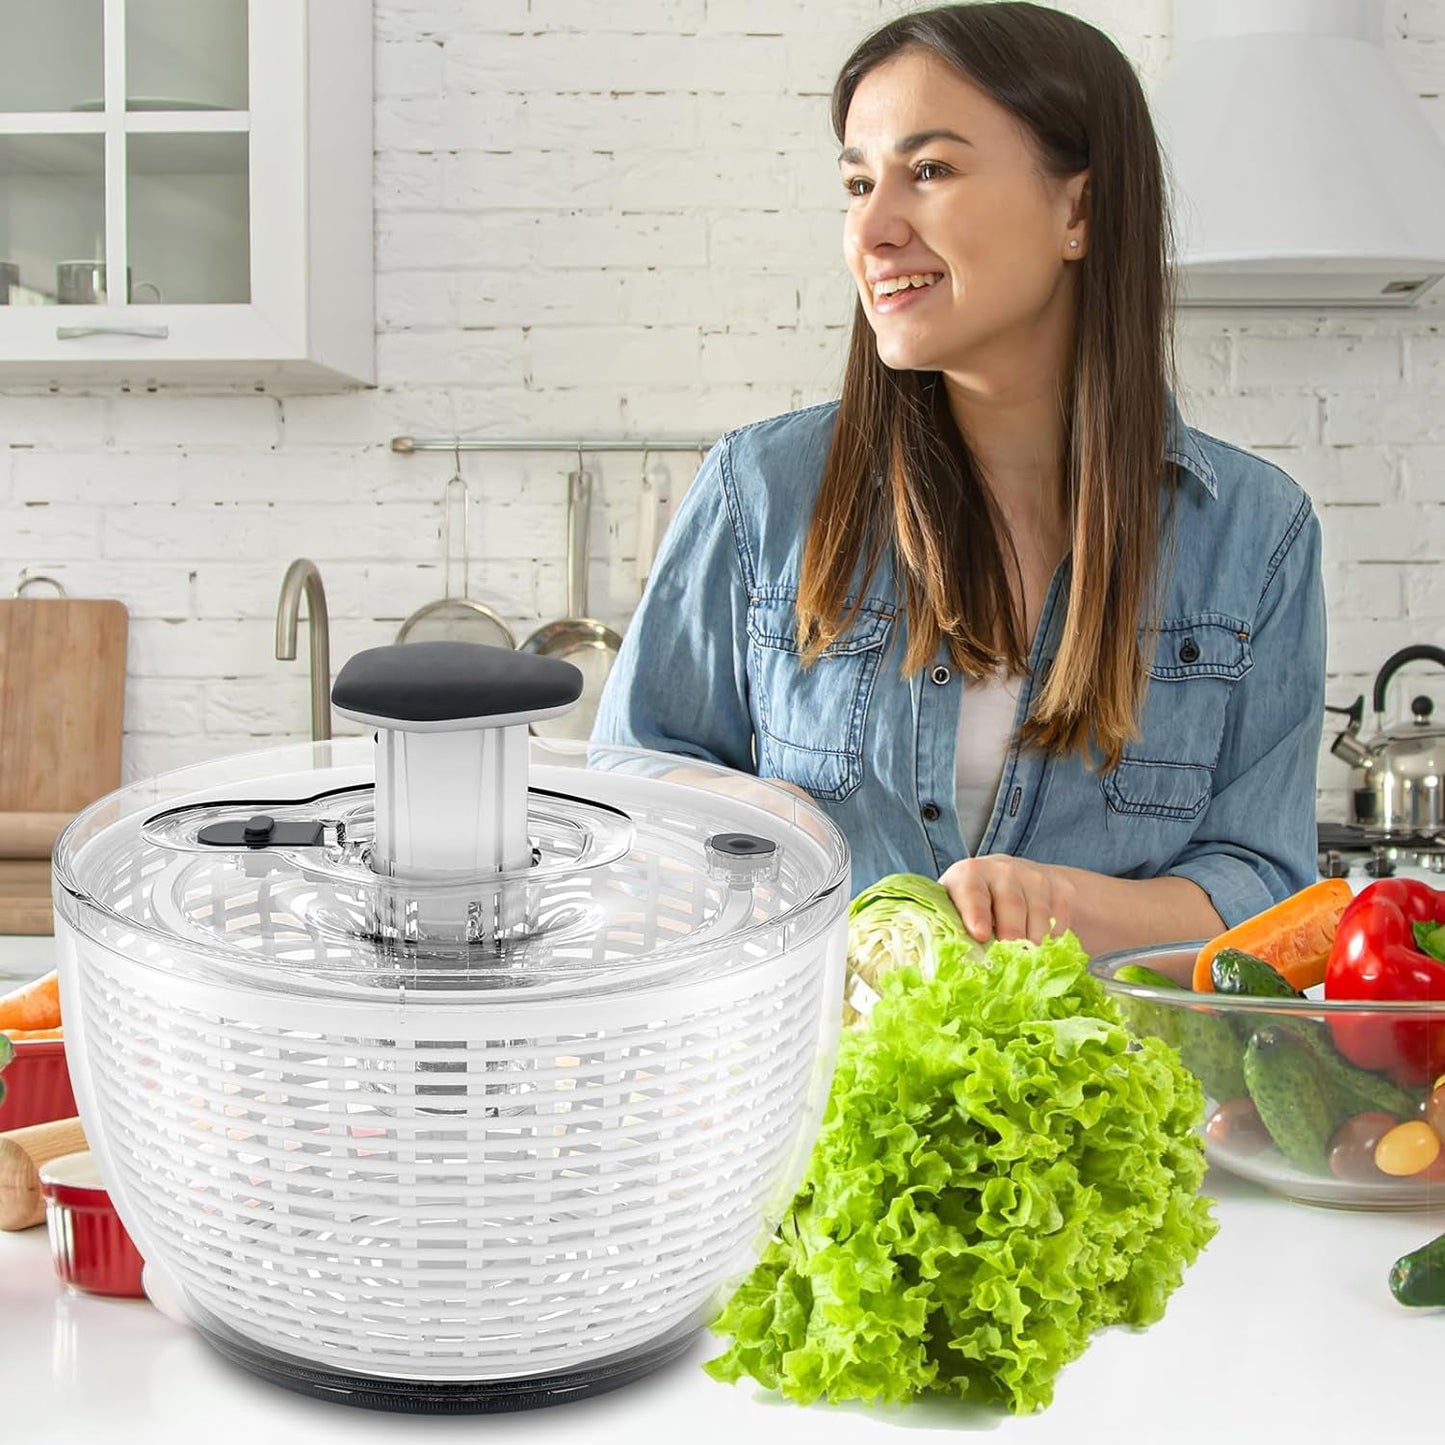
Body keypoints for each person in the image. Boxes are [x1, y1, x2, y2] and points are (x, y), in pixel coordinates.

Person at [593, 1, 1325, 955]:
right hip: (821, 1093)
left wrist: (1051, 902)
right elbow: (631, 785)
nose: (873, 230)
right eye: (857, 185)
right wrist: (794, 839)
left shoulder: (1254, 533)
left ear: (1079, 210)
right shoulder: (760, 489)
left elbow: (1265, 890)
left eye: (928, 171)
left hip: (1118, 1097)